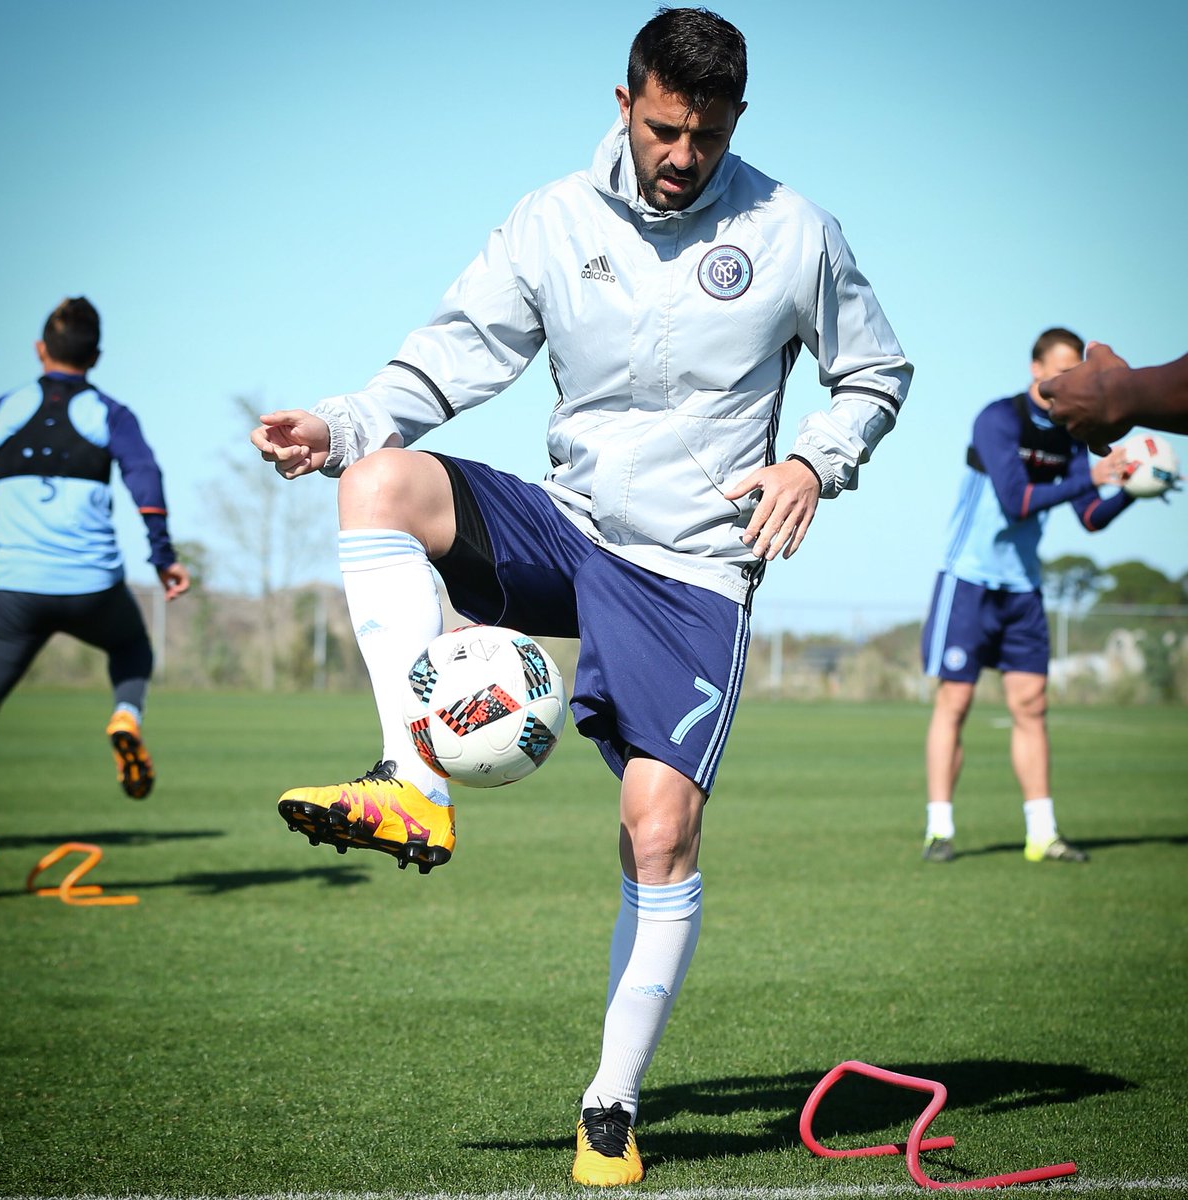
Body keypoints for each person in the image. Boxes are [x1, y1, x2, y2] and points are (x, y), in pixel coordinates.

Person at [252, 8, 911, 1187]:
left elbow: (875, 369)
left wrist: (816, 461)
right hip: (571, 527)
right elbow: (453, 353)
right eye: (664, 129)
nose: (682, 156)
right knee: (381, 482)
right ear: (625, 104)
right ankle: (411, 781)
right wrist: (343, 424)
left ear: (736, 123)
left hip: (694, 569)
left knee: (658, 832)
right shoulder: (552, 220)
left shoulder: (795, 231)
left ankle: (609, 1107)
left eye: (706, 137)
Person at [920, 327, 1158, 866]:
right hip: (969, 580)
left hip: (1023, 587)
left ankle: (1042, 834)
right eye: (1061, 368)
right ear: (1035, 369)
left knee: (1031, 706)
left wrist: (1133, 488)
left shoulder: (1074, 435)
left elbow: (1090, 516)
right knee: (954, 702)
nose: (1069, 378)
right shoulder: (998, 419)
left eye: (1077, 370)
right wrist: (1097, 472)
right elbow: (1018, 499)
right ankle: (939, 828)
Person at [0, 297, 190, 803]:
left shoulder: (1, 411)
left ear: (40, 350)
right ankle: (126, 715)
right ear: (95, 357)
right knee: (131, 648)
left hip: (14, 592)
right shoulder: (111, 414)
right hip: (93, 590)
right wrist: (163, 558)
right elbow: (145, 480)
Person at [1038, 341, 1188, 453]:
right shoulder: (1015, 414)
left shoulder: (1080, 427)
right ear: (1036, 368)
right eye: (1064, 371)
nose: (1072, 380)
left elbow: (1088, 494)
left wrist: (1114, 392)